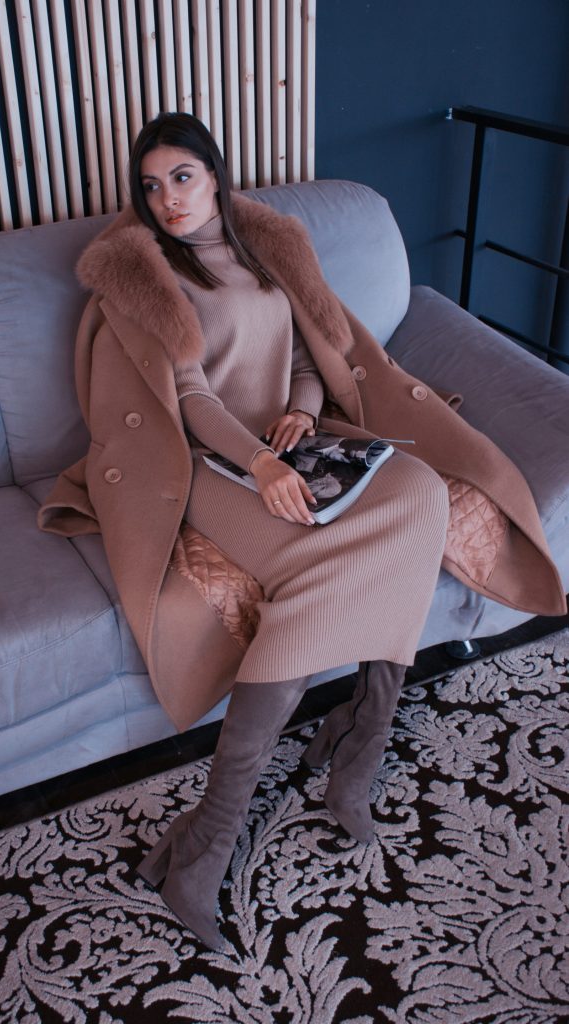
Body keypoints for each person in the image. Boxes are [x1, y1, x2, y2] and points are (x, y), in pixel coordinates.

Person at [38, 112, 566, 951]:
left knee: (420, 495)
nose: (168, 199)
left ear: (215, 174)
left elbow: (304, 358)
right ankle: (209, 841)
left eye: (182, 177)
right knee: (320, 568)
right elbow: (190, 400)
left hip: (287, 440)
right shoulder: (151, 276)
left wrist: (301, 413)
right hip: (203, 463)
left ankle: (361, 740)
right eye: (151, 185)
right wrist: (259, 463)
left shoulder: (265, 249)